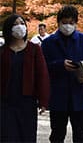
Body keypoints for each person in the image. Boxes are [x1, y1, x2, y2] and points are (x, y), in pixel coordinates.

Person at [42, 5, 83, 143]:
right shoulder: (48, 42)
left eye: (71, 23)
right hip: (58, 95)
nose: (67, 26)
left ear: (76, 23)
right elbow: (42, 68)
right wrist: (60, 65)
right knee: (57, 134)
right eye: (64, 22)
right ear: (58, 23)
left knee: (81, 136)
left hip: (81, 94)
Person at [0, 14, 50, 142]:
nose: (19, 27)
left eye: (22, 23)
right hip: (6, 101)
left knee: (26, 135)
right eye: (15, 24)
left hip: (27, 101)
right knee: (7, 136)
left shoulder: (34, 49)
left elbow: (42, 74)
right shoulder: (3, 51)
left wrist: (43, 100)